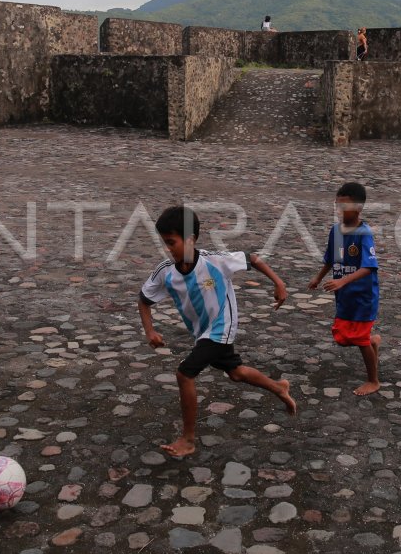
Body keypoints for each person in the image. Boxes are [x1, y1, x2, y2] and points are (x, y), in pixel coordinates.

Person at [138, 206, 296, 457]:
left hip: (222, 326)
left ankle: (188, 439)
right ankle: (279, 387)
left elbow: (252, 259)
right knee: (236, 372)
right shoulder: (165, 271)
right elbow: (144, 299)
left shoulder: (215, 261)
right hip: (203, 333)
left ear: (190, 240)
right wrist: (150, 331)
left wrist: (278, 282)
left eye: (172, 242)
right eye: (165, 243)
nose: (168, 249)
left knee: (184, 374)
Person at [308, 182, 382, 396]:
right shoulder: (336, 231)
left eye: (345, 206)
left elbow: (369, 267)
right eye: (337, 205)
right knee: (342, 338)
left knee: (357, 338)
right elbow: (332, 259)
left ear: (358, 208)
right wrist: (318, 277)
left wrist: (342, 281)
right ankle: (371, 341)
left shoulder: (363, 233)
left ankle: (373, 380)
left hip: (363, 296)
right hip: (345, 296)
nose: (340, 210)